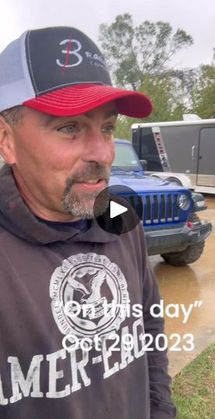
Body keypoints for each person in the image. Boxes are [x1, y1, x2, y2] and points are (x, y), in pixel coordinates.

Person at [0, 26, 176, 418]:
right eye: (69, 128)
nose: (103, 153)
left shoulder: (118, 215)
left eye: (108, 128)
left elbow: (148, 328)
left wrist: (161, 410)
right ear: (6, 140)